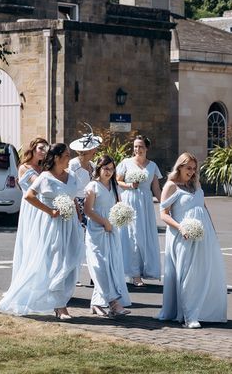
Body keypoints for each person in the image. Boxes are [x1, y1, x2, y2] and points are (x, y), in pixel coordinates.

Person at [0, 143, 84, 320]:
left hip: (70, 224)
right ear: (57, 158)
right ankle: (60, 307)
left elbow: (74, 197)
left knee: (70, 261)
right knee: (57, 262)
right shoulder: (44, 177)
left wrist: (77, 213)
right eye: (66, 155)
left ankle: (59, 301)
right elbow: (29, 196)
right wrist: (50, 210)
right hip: (52, 226)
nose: (69, 158)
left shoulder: (72, 176)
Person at [154, 152, 227, 328]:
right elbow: (163, 214)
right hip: (182, 235)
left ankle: (203, 310)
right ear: (180, 167)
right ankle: (189, 316)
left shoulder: (196, 184)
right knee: (187, 274)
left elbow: (204, 207)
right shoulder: (171, 186)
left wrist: (212, 231)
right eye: (188, 168)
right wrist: (181, 228)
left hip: (203, 235)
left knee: (203, 273)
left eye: (194, 169)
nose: (192, 172)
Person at [84, 155, 131, 317]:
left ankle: (96, 303)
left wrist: (121, 217)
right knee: (100, 266)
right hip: (97, 232)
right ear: (99, 168)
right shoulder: (92, 186)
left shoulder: (115, 186)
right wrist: (104, 222)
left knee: (110, 266)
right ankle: (113, 303)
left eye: (111, 169)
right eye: (105, 168)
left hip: (112, 231)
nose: (109, 172)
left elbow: (119, 206)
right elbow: (88, 210)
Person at [116, 135, 162, 287]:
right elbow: (117, 180)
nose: (137, 149)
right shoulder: (126, 163)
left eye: (141, 146)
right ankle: (134, 274)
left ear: (146, 148)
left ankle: (144, 269)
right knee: (132, 236)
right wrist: (130, 185)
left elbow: (156, 188)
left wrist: (165, 205)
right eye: (135, 146)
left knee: (144, 236)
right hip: (129, 201)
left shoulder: (153, 166)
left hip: (145, 204)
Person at [11, 137, 49, 282]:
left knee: (42, 243)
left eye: (46, 149)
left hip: (43, 207)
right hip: (31, 208)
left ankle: (41, 279)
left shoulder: (44, 168)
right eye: (40, 148)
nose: (43, 152)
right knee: (30, 242)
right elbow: (40, 184)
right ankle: (26, 280)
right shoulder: (24, 167)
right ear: (33, 149)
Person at [69, 129, 102, 287]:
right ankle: (73, 276)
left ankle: (93, 275)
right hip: (77, 203)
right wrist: (77, 210)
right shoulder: (73, 165)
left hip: (91, 203)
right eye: (93, 148)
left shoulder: (93, 165)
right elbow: (71, 188)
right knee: (77, 241)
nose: (95, 151)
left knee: (92, 241)